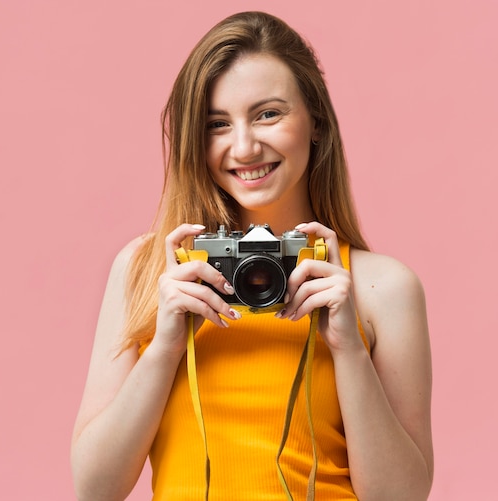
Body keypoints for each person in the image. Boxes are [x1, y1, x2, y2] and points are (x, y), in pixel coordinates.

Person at [71, 11, 433, 501]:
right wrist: (164, 349)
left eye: (268, 114)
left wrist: (348, 349)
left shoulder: (382, 287)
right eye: (217, 124)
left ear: (316, 123)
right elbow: (94, 490)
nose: (244, 147)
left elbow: (400, 498)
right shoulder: (147, 269)